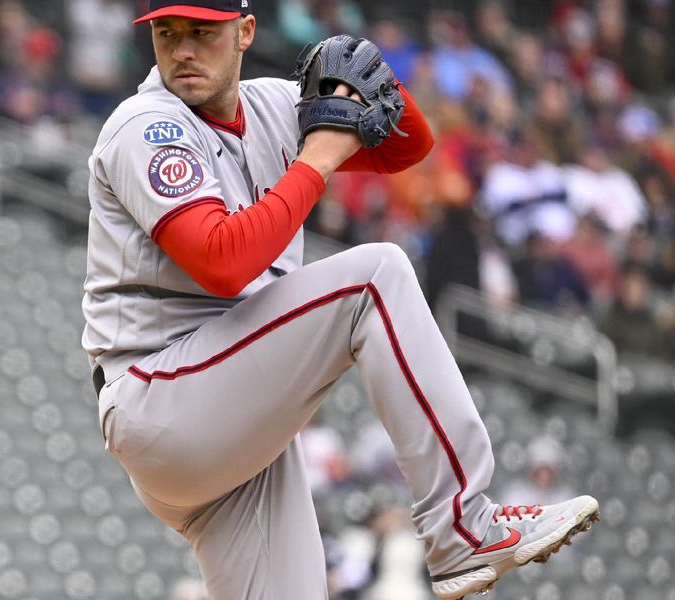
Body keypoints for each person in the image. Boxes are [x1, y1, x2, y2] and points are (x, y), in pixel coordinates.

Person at [80, 2, 599, 598]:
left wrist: (372, 76)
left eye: (203, 31)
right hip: (164, 397)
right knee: (375, 277)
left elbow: (409, 146)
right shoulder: (147, 125)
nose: (183, 50)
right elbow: (223, 263)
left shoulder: (275, 105)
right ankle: (463, 528)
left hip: (234, 428)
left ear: (245, 32)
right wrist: (320, 156)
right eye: (168, 34)